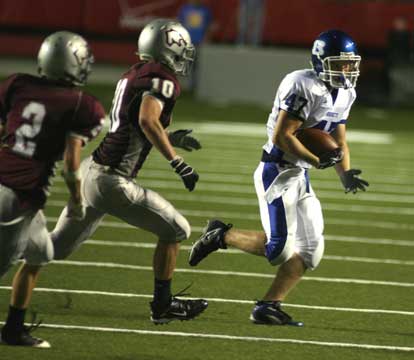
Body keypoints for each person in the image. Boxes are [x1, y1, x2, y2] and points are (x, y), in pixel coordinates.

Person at [3, 19, 207, 347]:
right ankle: (163, 305)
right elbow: (145, 120)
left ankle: (11, 251)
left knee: (54, 248)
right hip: (113, 181)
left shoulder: (133, 73)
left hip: (91, 172)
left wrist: (172, 138)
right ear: (170, 46)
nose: (184, 56)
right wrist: (177, 162)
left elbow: (134, 124)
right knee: (177, 230)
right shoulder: (162, 78)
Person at [189, 30, 369, 325]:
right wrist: (317, 159)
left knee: (311, 250)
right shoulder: (303, 85)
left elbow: (338, 139)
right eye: (340, 64)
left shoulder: (347, 92)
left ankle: (268, 306)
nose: (347, 70)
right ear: (321, 61)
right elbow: (282, 136)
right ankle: (221, 234)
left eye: (350, 64)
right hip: (277, 171)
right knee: (278, 249)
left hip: (301, 175)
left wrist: (345, 173)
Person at [0, 31, 105, 347]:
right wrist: (76, 201)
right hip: (19, 194)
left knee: (40, 253)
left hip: (9, 186)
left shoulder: (18, 84)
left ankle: (13, 330)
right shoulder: (80, 104)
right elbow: (72, 164)